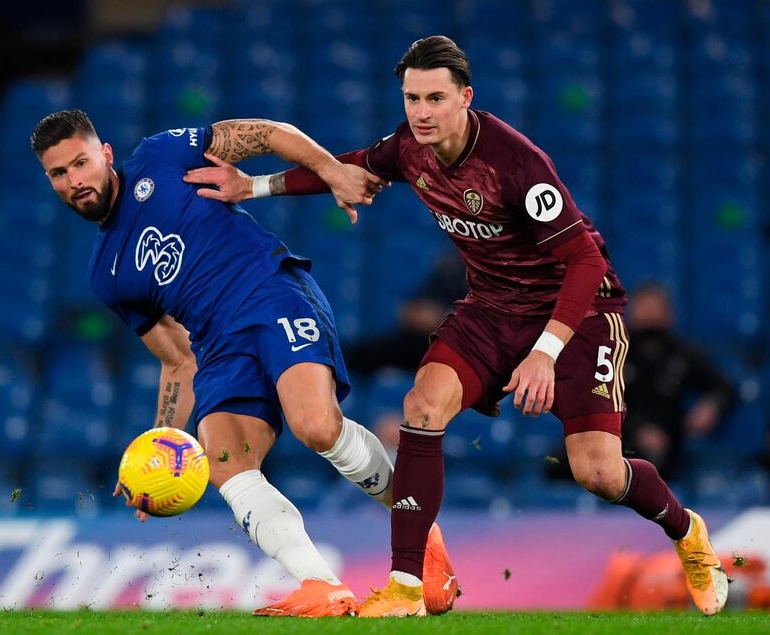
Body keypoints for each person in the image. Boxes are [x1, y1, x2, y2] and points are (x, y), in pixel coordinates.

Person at [183, 36, 730, 617]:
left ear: (465, 97)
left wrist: (545, 352)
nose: (420, 112)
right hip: (491, 309)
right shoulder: (409, 149)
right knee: (422, 406)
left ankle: (686, 531)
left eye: (434, 98)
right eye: (411, 98)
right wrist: (254, 187)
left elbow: (586, 262)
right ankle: (406, 585)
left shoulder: (516, 162)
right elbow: (352, 169)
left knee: (596, 471)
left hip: (580, 313)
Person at [30, 109, 459, 617]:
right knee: (225, 462)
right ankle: (321, 585)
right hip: (217, 343)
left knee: (317, 427)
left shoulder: (161, 155)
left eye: (81, 163)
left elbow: (268, 133)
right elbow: (176, 360)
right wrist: (157, 445)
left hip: (269, 291)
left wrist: (332, 171)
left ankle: (420, 532)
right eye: (59, 173)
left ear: (103, 154)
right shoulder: (107, 274)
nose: (75, 181)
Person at [623, 283, 736, 480]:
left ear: (668, 313)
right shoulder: (617, 352)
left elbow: (725, 388)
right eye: (643, 308)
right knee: (560, 460)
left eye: (654, 308)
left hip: (668, 442)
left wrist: (711, 405)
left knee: (654, 465)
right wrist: (636, 430)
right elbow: (596, 398)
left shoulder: (681, 354)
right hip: (620, 438)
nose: (649, 315)